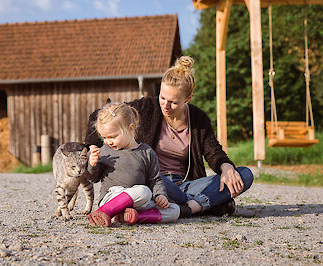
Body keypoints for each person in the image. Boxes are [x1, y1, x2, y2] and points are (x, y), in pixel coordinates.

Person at [85, 56, 254, 218]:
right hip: (155, 182)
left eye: (173, 102)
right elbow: (101, 115)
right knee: (154, 183)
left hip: (186, 185)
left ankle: (190, 207)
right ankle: (204, 204)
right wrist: (92, 146)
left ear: (188, 98)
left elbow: (213, 151)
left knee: (244, 174)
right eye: (162, 97)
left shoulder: (198, 118)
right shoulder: (146, 107)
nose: (165, 105)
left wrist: (226, 167)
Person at [86, 102, 180, 227]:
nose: (108, 141)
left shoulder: (146, 152)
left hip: (138, 202)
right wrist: (92, 164)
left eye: (113, 136)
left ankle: (130, 217)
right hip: (112, 198)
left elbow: (155, 179)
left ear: (130, 128)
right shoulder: (105, 151)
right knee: (144, 191)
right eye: (104, 137)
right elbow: (94, 178)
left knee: (175, 210)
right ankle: (105, 211)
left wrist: (160, 195)